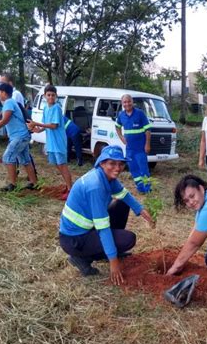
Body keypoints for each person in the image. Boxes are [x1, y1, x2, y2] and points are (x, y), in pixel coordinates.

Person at [59, 145, 154, 285]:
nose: (117, 168)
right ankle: (82, 259)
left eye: (121, 164)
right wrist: (113, 261)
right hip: (74, 240)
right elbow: (103, 228)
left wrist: (142, 211)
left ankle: (107, 250)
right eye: (112, 163)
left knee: (122, 203)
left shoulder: (106, 177)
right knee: (128, 239)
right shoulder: (95, 186)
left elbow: (125, 195)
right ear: (102, 163)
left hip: (86, 230)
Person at [0, 83, 37, 191]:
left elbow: (5, 120)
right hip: (22, 135)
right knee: (25, 160)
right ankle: (34, 183)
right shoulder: (11, 102)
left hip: (19, 136)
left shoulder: (9, 102)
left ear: (4, 93)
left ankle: (12, 184)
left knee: (8, 158)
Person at [27, 85, 72, 200]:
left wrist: (37, 124)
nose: (51, 97)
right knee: (58, 165)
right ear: (44, 96)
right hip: (51, 142)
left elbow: (54, 125)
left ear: (56, 96)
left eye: (53, 95)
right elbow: (46, 124)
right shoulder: (46, 108)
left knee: (63, 166)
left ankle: (70, 190)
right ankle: (68, 186)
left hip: (59, 142)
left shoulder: (56, 108)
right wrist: (38, 129)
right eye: (49, 95)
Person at [115, 94, 152, 193]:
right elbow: (117, 126)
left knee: (143, 169)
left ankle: (147, 189)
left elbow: (148, 130)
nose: (127, 104)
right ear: (122, 103)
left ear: (132, 102)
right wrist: (121, 137)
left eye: (129, 101)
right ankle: (140, 188)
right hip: (129, 149)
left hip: (140, 148)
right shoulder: (121, 115)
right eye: (125, 102)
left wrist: (147, 144)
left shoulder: (140, 114)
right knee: (133, 169)